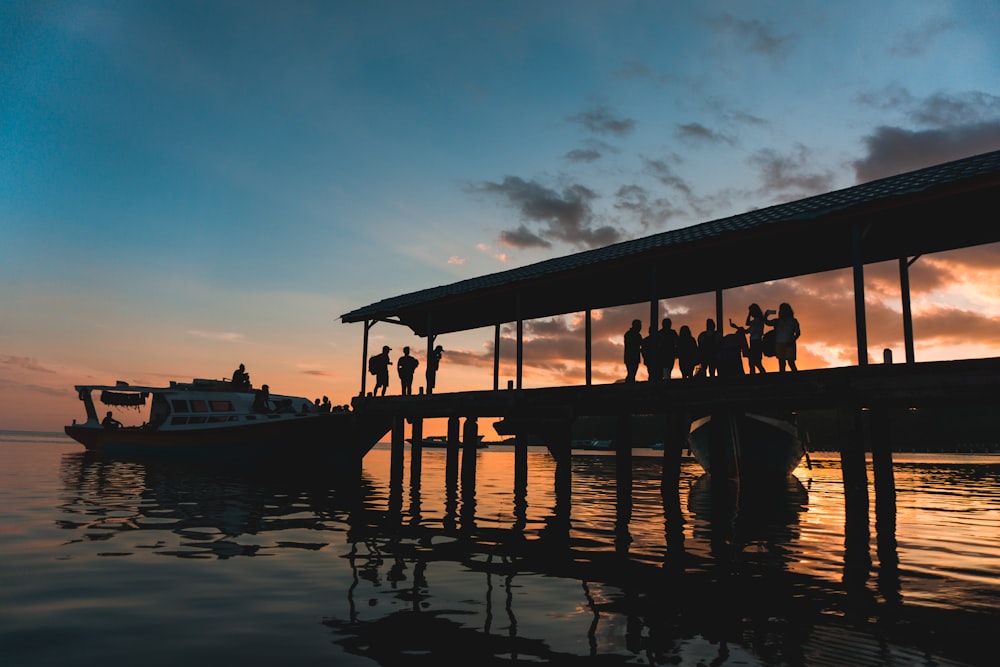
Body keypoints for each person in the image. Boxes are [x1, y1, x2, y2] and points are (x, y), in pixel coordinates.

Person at [765, 302, 801, 372]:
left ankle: (793, 378)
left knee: (789, 362)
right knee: (783, 363)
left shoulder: (792, 321)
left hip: (787, 343)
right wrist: (766, 315)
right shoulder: (779, 321)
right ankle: (787, 378)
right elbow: (767, 322)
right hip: (781, 343)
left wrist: (793, 339)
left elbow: (798, 333)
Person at [740, 304, 768, 374]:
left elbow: (747, 324)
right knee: (752, 363)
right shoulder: (755, 322)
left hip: (757, 342)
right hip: (753, 342)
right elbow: (747, 327)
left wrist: (749, 314)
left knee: (756, 362)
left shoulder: (758, 321)